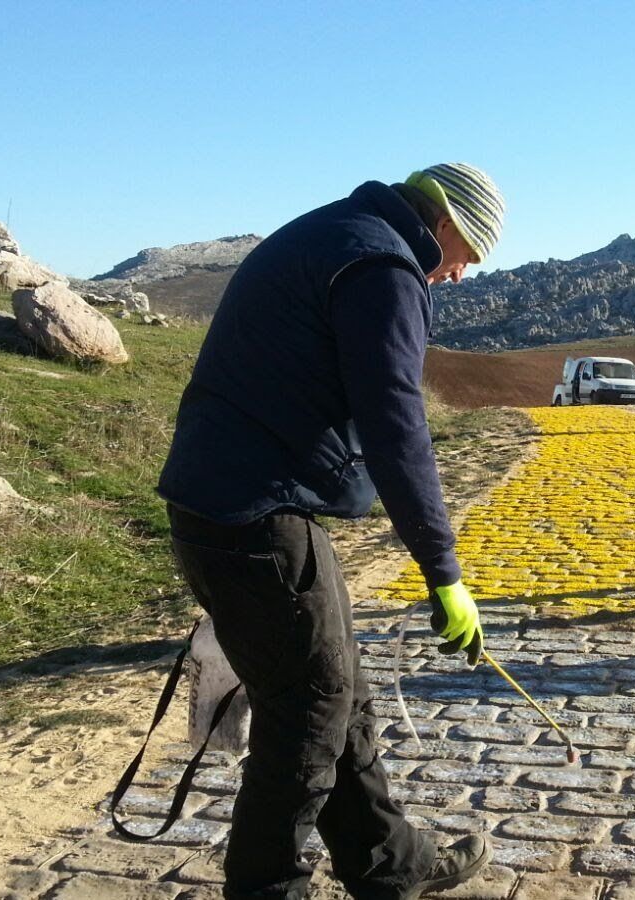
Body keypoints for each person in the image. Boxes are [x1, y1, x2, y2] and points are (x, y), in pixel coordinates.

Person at [157, 163, 504, 900]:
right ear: (444, 225)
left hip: (228, 502)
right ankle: (267, 887)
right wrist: (442, 572)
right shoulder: (383, 266)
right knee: (309, 710)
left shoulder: (337, 233)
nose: (461, 275)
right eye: (467, 255)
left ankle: (390, 864)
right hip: (253, 513)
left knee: (337, 689)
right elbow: (395, 424)